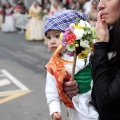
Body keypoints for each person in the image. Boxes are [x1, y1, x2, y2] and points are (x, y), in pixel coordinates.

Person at [64, 0, 120, 120]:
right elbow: (100, 86)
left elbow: (106, 104)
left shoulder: (103, 42)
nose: (100, 5)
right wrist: (78, 88)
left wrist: (100, 46)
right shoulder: (110, 37)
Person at [44, 10, 99, 120]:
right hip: (76, 107)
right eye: (49, 38)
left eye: (56, 36)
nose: (52, 41)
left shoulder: (88, 51)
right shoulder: (54, 63)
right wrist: (54, 109)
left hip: (95, 101)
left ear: (73, 35)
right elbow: (51, 89)